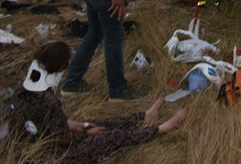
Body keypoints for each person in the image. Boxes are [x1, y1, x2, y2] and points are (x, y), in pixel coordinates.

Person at [8, 42, 187, 164]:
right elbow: (61, 139)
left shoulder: (21, 92)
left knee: (93, 123)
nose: (69, 67)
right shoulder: (47, 100)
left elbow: (39, 124)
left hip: (36, 147)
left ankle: (146, 116)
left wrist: (74, 124)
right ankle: (161, 129)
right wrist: (87, 134)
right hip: (54, 157)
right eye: (67, 63)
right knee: (107, 136)